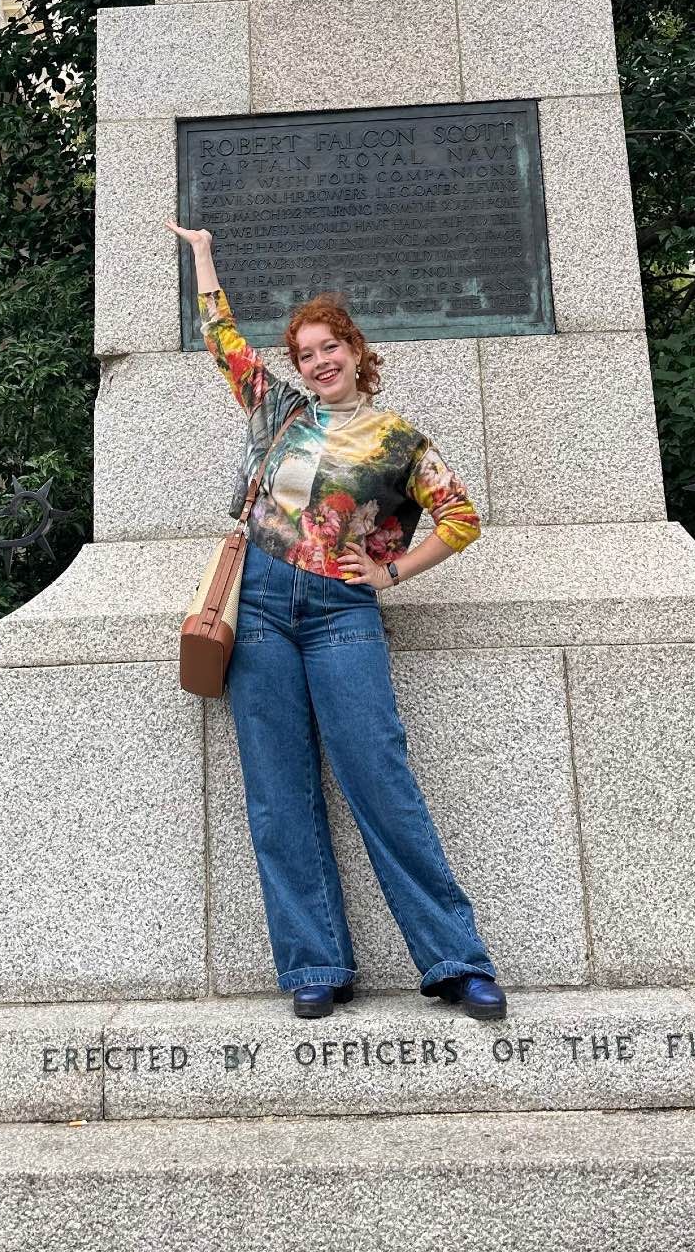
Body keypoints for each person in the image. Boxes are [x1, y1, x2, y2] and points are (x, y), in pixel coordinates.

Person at [168, 218, 506, 1023]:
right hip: (257, 610)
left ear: (356, 352)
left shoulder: (397, 439)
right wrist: (204, 259)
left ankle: (455, 962)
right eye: (305, 353)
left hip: (340, 613)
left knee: (380, 782)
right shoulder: (278, 411)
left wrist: (392, 571)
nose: (317, 362)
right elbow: (224, 343)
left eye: (329, 348)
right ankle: (314, 964)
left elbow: (459, 518)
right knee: (279, 796)